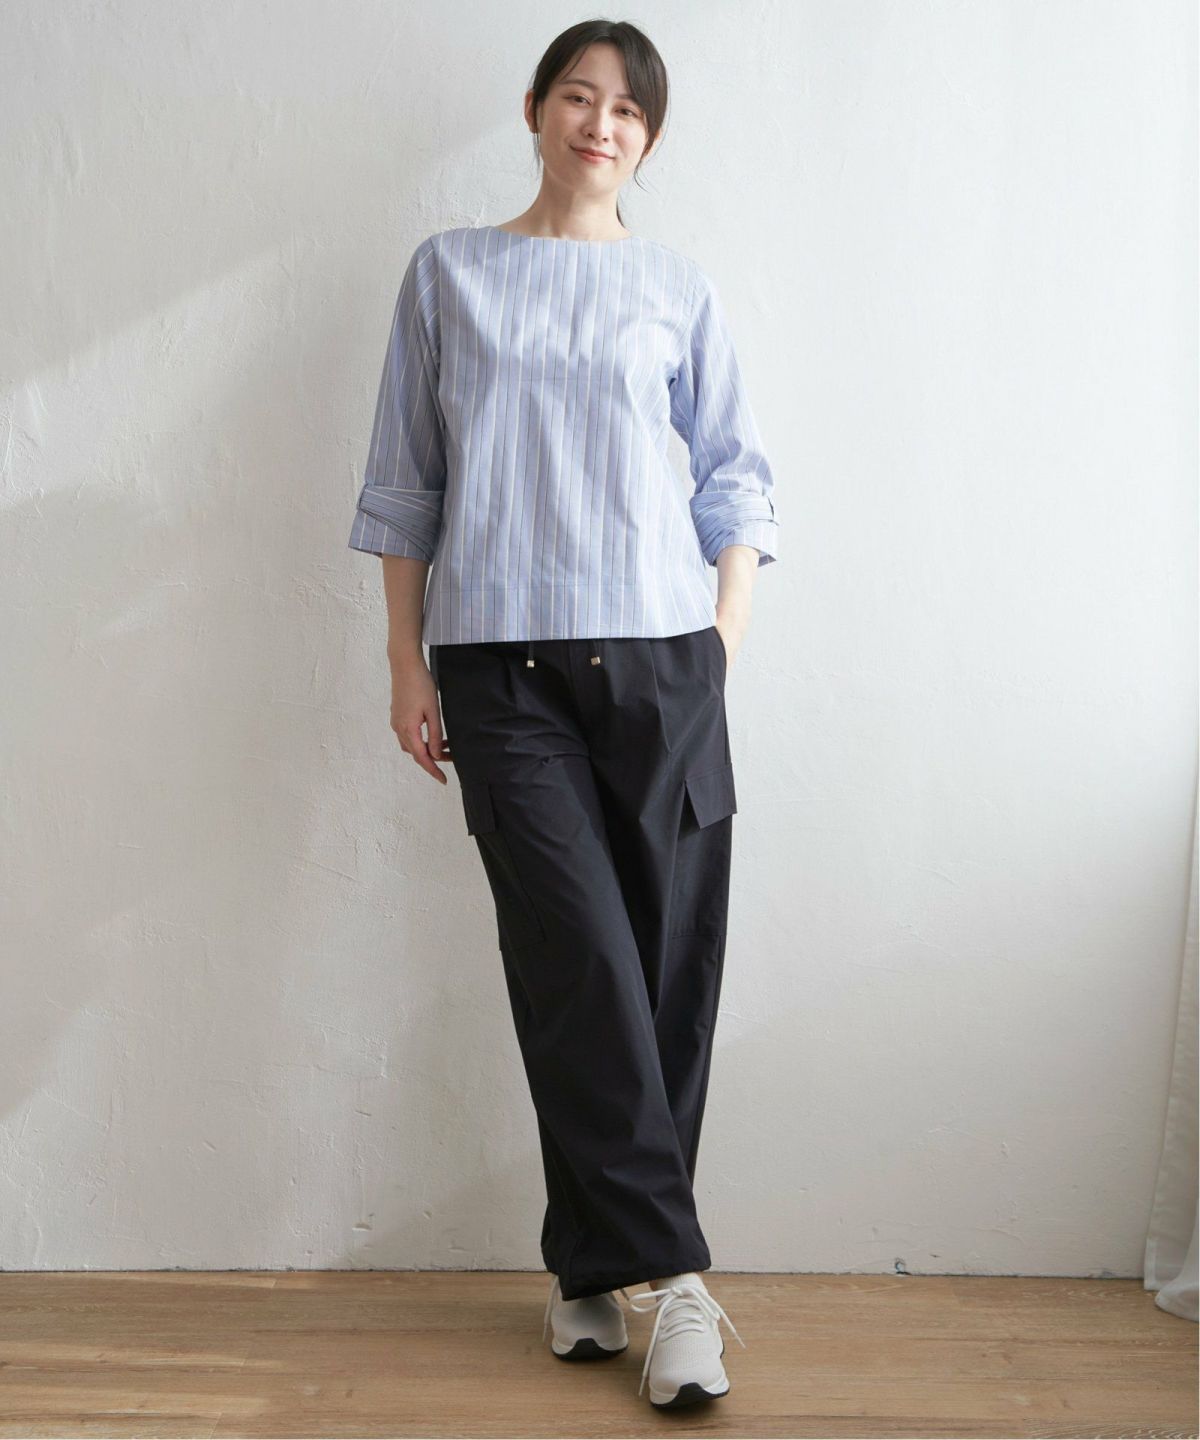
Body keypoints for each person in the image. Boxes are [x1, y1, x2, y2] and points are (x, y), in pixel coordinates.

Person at [347, 18, 777, 1410]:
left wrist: (722, 636)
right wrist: (406, 661)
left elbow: (735, 476)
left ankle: (592, 1265)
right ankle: (680, 1281)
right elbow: (406, 480)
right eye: (579, 97)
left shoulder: (676, 286)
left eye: (628, 110)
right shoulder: (450, 273)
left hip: (664, 663)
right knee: (577, 958)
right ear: (534, 108)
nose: (602, 124)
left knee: (662, 973)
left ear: (648, 139)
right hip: (503, 674)